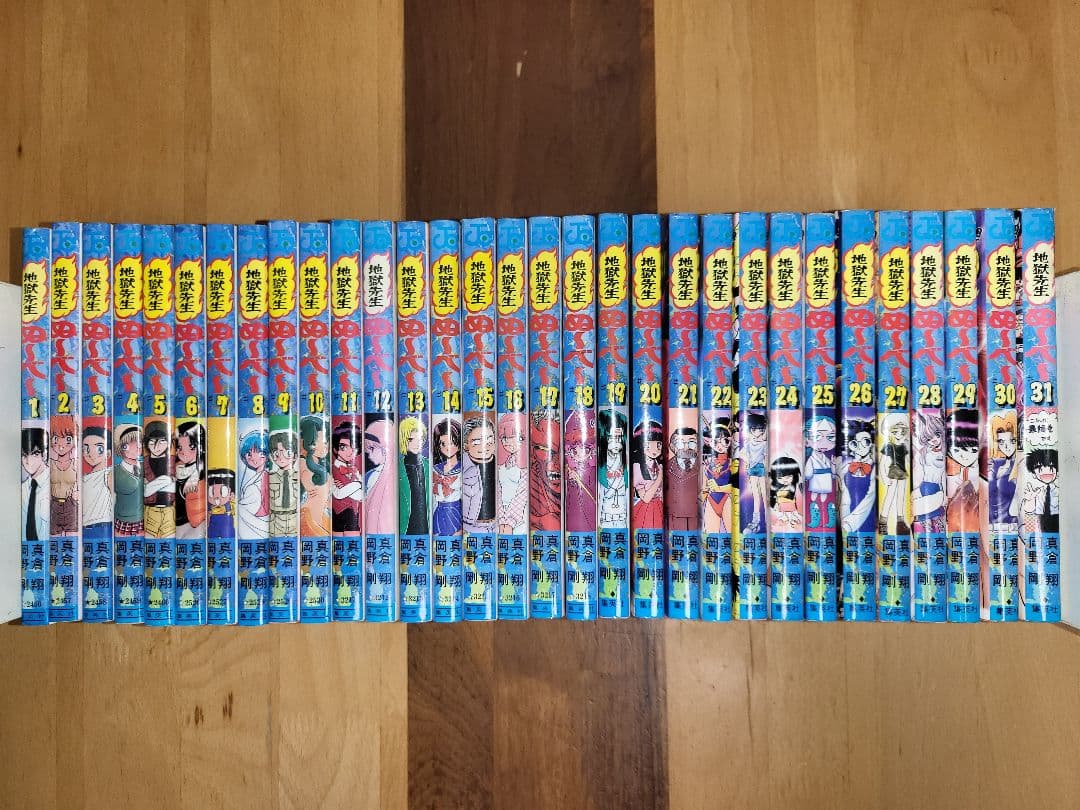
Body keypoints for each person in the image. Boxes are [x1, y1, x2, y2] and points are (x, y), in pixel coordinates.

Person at [840, 419, 875, 534]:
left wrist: (849, 524)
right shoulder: (845, 466)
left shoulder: (874, 468)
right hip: (845, 518)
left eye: (866, 442)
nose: (861, 447)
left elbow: (870, 497)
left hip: (866, 519)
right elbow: (841, 495)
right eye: (855, 443)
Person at [462, 416, 497, 534]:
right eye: (477, 442)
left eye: (489, 440)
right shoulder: (461, 466)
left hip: (497, 525)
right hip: (469, 527)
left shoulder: (501, 465)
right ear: (466, 445)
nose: (484, 446)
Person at [564, 411, 597, 533]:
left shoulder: (593, 468)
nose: (579, 454)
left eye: (585, 449)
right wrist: (569, 476)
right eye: (574, 450)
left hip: (590, 508)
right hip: (573, 506)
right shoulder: (569, 467)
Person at [363, 416, 397, 534]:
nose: (369, 454)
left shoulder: (396, 475)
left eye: (372, 448)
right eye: (368, 449)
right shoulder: (369, 475)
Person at [143, 419, 175, 539]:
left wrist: (151, 485)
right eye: (152, 442)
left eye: (162, 441)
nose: (157, 447)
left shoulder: (173, 460)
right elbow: (145, 492)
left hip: (170, 510)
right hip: (150, 511)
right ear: (147, 443)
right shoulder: (143, 462)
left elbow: (176, 488)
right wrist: (167, 480)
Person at [299, 416, 331, 537]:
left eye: (326, 442)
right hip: (308, 517)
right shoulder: (303, 463)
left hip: (321, 517)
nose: (325, 447)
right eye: (318, 442)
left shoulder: (324, 465)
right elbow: (305, 479)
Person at [496, 412, 528, 535]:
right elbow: (497, 491)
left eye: (513, 437)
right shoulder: (501, 464)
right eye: (504, 437)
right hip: (500, 516)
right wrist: (501, 518)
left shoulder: (526, 467)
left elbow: (522, 495)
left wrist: (510, 521)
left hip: (519, 517)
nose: (507, 442)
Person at [803, 415, 837, 530]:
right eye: (817, 436)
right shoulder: (811, 458)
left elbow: (833, 473)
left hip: (826, 480)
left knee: (824, 498)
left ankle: (828, 518)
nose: (824, 442)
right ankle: (815, 518)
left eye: (830, 437)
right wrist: (807, 476)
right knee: (814, 497)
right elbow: (808, 473)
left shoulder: (826, 458)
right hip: (816, 479)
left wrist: (833, 465)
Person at [398, 416, 429, 535]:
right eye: (411, 439)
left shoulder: (428, 465)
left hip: (427, 528)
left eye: (420, 439)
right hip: (405, 529)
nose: (416, 443)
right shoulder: (397, 468)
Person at [431, 418, 463, 536]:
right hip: (439, 510)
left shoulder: (463, 468)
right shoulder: (436, 468)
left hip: (455, 510)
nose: (447, 448)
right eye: (443, 444)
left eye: (452, 442)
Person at [175, 421, 206, 539]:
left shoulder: (202, 472)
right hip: (176, 523)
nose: (184, 452)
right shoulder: (176, 468)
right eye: (179, 447)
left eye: (191, 447)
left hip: (195, 524)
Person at [597, 411, 628, 529]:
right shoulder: (602, 462)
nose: (616, 444)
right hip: (607, 507)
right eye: (611, 438)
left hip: (621, 505)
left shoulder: (624, 459)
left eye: (619, 439)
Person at [331, 419, 364, 533]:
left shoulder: (354, 469)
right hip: (336, 513)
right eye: (343, 447)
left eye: (353, 447)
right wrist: (358, 484)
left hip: (352, 513)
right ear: (335, 449)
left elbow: (361, 496)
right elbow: (338, 494)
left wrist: (351, 487)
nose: (349, 452)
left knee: (352, 541)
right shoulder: (333, 469)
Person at [81, 425, 112, 542]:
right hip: (85, 526)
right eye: (86, 449)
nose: (91, 454)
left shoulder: (108, 473)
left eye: (99, 449)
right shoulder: (84, 477)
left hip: (102, 525)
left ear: (108, 453)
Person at [701, 417, 732, 534]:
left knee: (730, 533)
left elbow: (735, 487)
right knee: (710, 534)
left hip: (727, 500)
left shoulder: (733, 463)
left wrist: (719, 488)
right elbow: (704, 487)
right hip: (711, 500)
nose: (719, 446)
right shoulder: (707, 464)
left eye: (725, 441)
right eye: (715, 442)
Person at [237, 428, 269, 539]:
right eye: (249, 454)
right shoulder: (256, 477)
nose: (254, 459)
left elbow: (257, 504)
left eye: (261, 453)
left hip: (258, 520)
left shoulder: (265, 477)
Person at [631, 420, 664, 529]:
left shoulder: (659, 465)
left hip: (660, 506)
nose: (654, 450)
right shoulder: (637, 467)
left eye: (658, 445)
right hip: (646, 509)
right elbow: (646, 498)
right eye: (648, 445)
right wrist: (659, 478)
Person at [50, 415, 79, 535]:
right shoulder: (50, 464)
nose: (61, 445)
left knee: (71, 539)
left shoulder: (76, 464)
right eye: (56, 439)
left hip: (70, 505)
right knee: (55, 539)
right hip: (54, 505)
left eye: (67, 439)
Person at [666, 424, 699, 531]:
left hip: (697, 514)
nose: (686, 448)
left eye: (691, 443)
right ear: (672, 447)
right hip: (675, 515)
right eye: (680, 443)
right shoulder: (666, 467)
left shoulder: (704, 466)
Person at [113, 425, 143, 536]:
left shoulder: (146, 467)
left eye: (139, 442)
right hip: (123, 520)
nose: (137, 447)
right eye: (129, 444)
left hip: (143, 518)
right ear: (122, 447)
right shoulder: (115, 471)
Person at [21, 427, 49, 544]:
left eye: (35, 454)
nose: (29, 461)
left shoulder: (54, 484)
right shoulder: (23, 489)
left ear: (44, 455)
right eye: (24, 455)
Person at [769, 456, 803, 529]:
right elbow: (773, 498)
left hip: (792, 505)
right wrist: (775, 504)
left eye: (788, 477)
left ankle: (793, 519)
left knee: (793, 515)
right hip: (782, 506)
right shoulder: (775, 488)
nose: (784, 480)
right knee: (784, 516)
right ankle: (785, 519)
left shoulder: (795, 487)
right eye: (780, 478)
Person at [206, 468, 236, 539]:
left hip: (226, 525)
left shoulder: (230, 504)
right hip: (213, 525)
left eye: (223, 492)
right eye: (212, 492)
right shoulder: (210, 506)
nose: (216, 497)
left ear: (231, 494)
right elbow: (208, 515)